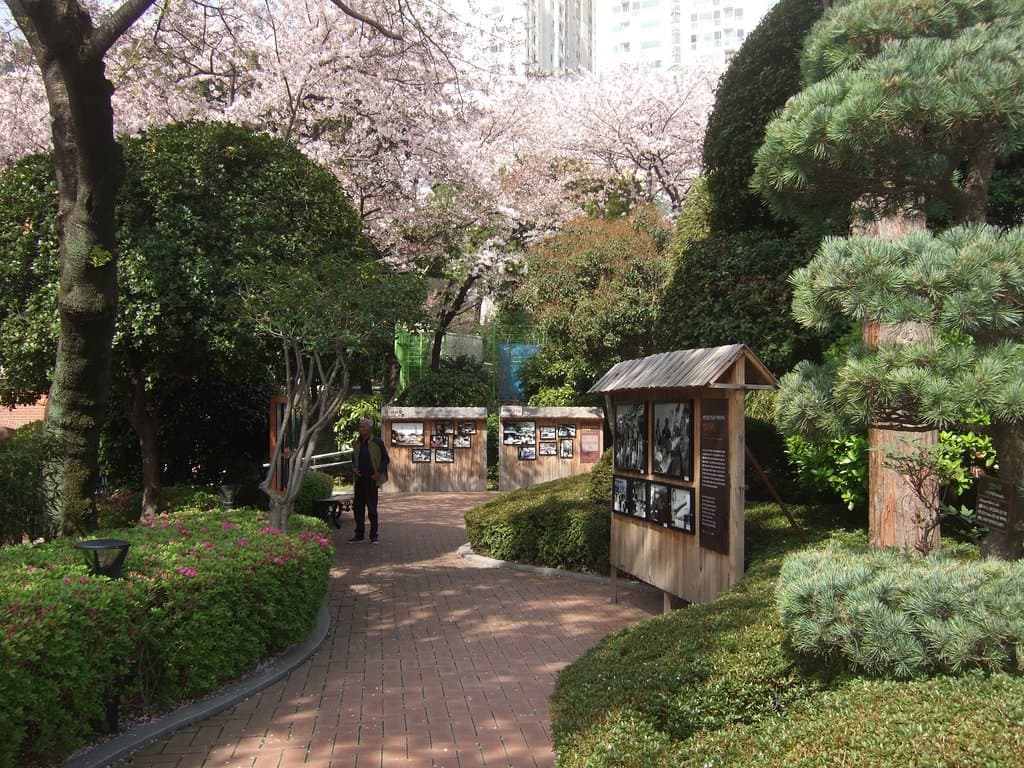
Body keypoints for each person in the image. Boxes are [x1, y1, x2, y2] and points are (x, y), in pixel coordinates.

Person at [349, 417, 390, 543]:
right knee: (357, 507)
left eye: (363, 427)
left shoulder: (377, 442)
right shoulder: (357, 442)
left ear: (370, 428)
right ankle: (359, 535)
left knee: (372, 509)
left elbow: (386, 459)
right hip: (360, 478)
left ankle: (374, 536)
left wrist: (379, 473)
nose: (361, 429)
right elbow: (353, 459)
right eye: (360, 427)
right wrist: (353, 468)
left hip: (372, 479)